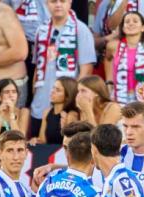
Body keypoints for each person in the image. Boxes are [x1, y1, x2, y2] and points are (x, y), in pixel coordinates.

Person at [30, 0, 96, 137]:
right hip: (40, 105)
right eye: (53, 1)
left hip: (66, 108)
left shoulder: (81, 29)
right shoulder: (41, 30)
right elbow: (37, 67)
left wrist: (73, 102)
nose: (58, 4)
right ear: (47, 4)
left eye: (63, 1)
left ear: (70, 3)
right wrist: (35, 95)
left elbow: (86, 70)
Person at [105, 11, 144, 108]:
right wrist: (109, 82)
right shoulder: (113, 46)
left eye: (135, 21)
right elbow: (107, 59)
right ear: (122, 28)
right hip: (120, 96)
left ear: (143, 27)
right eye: (127, 22)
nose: (131, 23)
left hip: (143, 97)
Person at [29, 77, 79, 145]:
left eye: (58, 90)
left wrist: (64, 127)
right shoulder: (46, 112)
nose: (52, 91)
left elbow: (71, 144)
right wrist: (35, 141)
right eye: (53, 88)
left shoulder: (71, 115)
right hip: (49, 152)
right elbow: (43, 141)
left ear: (68, 96)